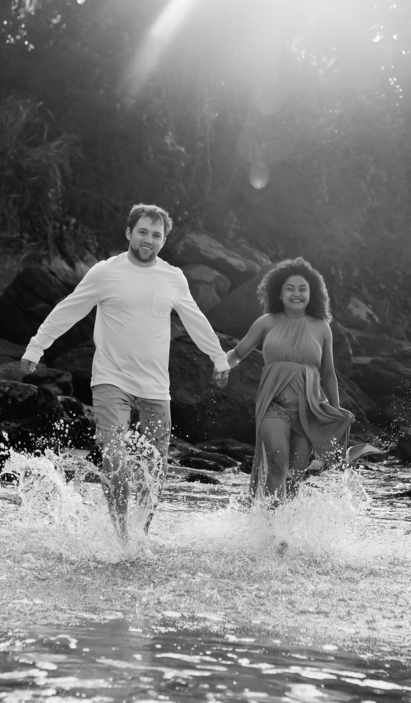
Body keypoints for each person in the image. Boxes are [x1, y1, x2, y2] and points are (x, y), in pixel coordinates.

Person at [20, 204, 230, 539]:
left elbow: (196, 320)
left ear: (163, 241)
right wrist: (36, 347)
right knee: (114, 459)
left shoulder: (173, 278)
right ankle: (122, 539)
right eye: (143, 232)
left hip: (156, 387)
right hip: (111, 379)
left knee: (154, 468)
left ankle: (140, 536)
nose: (149, 239)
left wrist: (219, 358)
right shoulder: (105, 272)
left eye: (156, 235)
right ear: (129, 233)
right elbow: (69, 309)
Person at [225, 257, 356, 500]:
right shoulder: (266, 322)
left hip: (308, 410)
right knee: (277, 462)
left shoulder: (322, 327)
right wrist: (222, 366)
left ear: (312, 293)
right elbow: (238, 353)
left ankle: (279, 519)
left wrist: (335, 411)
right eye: (290, 288)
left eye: (302, 289)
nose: (297, 294)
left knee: (295, 475)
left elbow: (328, 372)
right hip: (273, 404)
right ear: (279, 293)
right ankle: (271, 523)